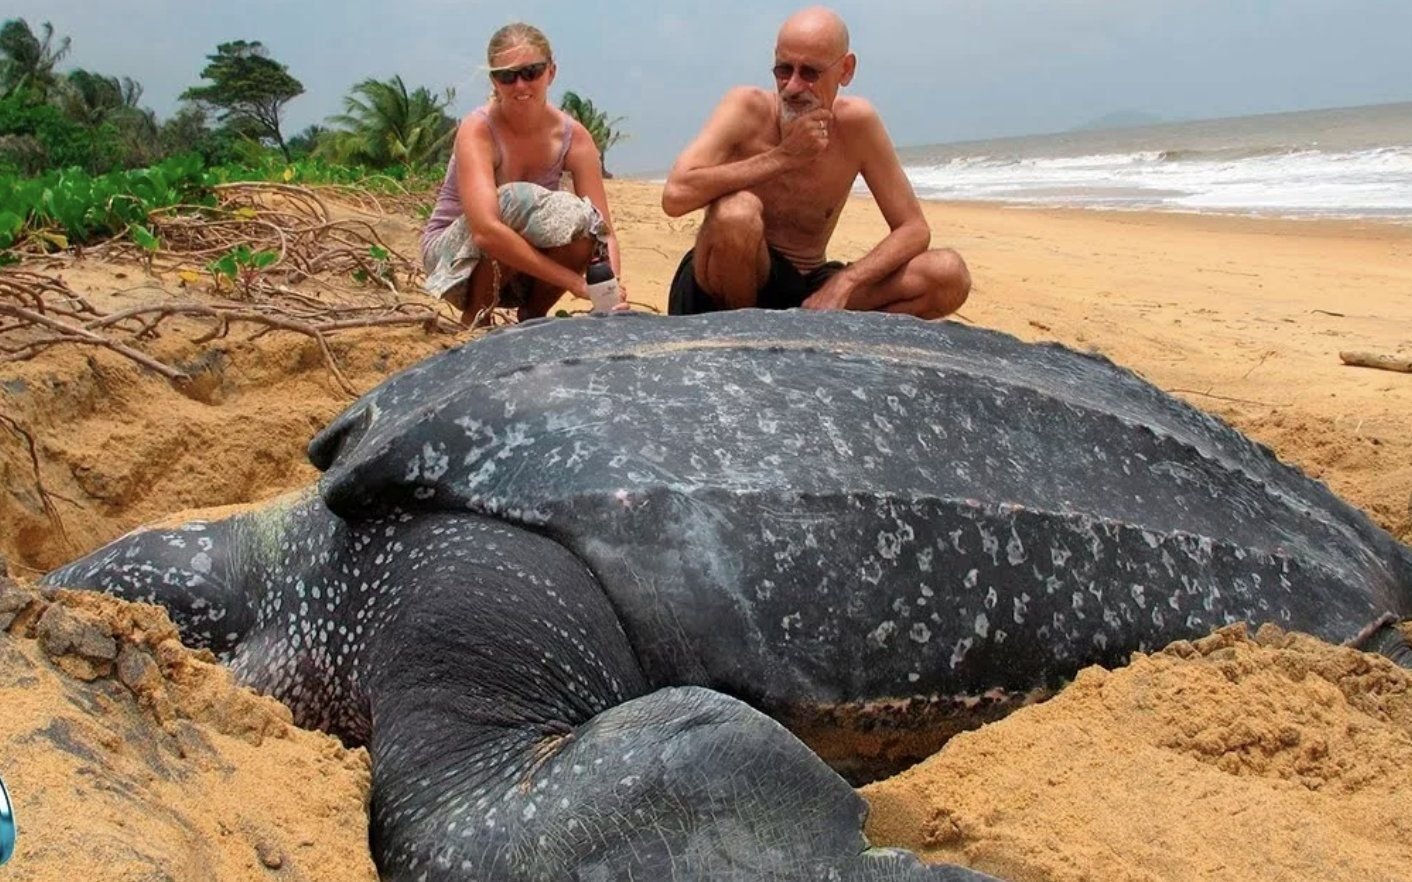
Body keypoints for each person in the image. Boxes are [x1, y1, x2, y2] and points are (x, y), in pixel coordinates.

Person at [661, 6, 970, 319]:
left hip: (807, 289)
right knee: (736, 214)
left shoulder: (856, 125)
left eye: (809, 73)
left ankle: (800, 326)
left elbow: (913, 228)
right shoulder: (746, 108)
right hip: (727, 285)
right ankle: (747, 334)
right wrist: (783, 157)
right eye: (783, 70)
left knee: (946, 274)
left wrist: (846, 282)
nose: (793, 87)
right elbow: (675, 196)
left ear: (845, 70)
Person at [422, 22, 625, 324]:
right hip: (453, 264)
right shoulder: (478, 129)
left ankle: (532, 316)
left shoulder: (574, 138)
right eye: (507, 76)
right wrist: (577, 285)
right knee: (513, 200)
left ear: (550, 72)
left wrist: (610, 287)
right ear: (494, 81)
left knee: (585, 228)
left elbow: (603, 230)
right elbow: (486, 231)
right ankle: (476, 317)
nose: (520, 85)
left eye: (531, 72)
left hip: (523, 268)